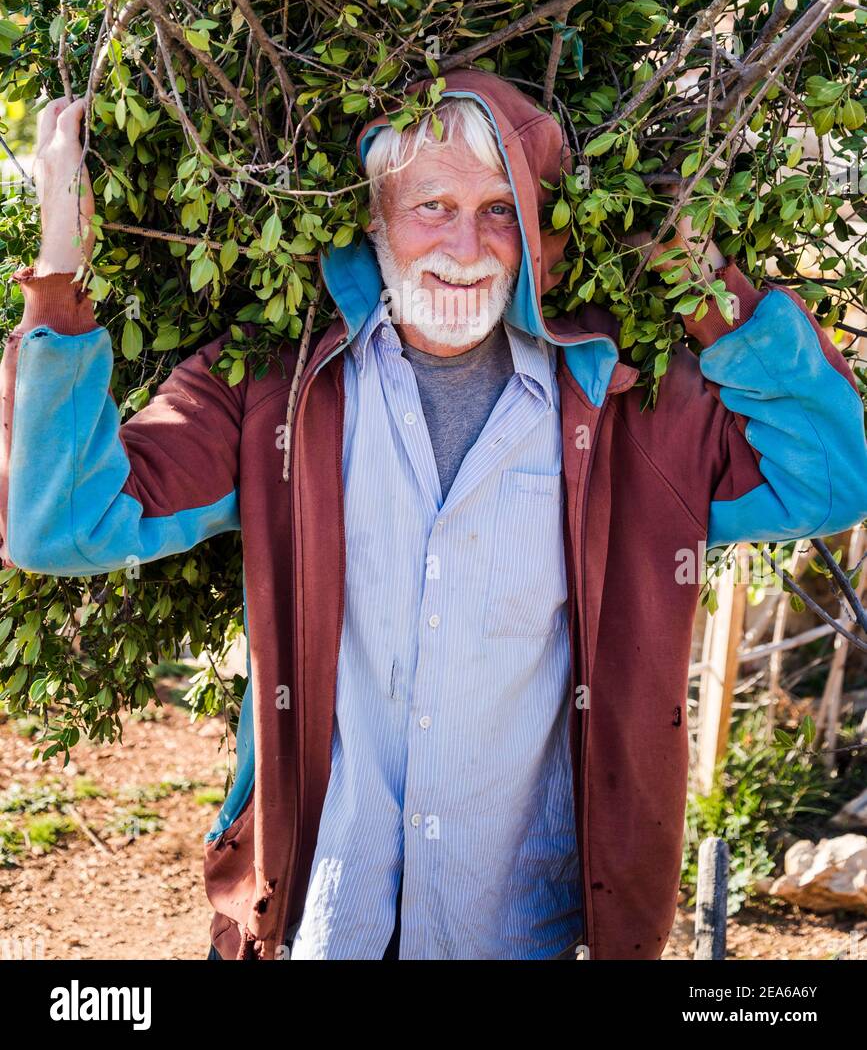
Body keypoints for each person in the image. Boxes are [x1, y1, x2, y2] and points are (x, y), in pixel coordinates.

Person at [1, 66, 866, 961]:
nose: (468, 245)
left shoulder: (628, 408)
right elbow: (63, 525)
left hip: (526, 926)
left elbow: (830, 478)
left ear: (540, 230)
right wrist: (59, 272)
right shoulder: (275, 395)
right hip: (322, 921)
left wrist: (707, 283)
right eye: (430, 207)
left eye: (500, 209)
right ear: (371, 223)